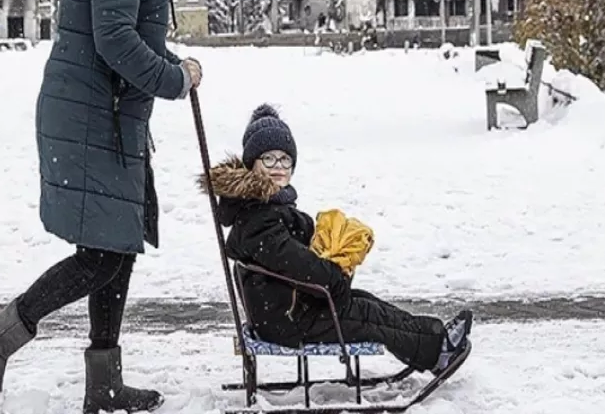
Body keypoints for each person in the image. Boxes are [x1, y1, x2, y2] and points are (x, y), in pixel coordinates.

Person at [0, 0, 203, 412]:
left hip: (106, 115)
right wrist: (174, 80)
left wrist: (171, 66)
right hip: (91, 118)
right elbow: (116, 40)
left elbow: (128, 37)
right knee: (103, 254)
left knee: (116, 247)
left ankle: (103, 383)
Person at [202, 104, 473, 376]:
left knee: (365, 304)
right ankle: (438, 351)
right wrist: (333, 277)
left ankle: (431, 343)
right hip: (287, 320)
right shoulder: (258, 216)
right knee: (363, 314)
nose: (278, 167)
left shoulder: (265, 206)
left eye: (285, 159)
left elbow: (297, 254)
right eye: (268, 159)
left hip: (289, 309)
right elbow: (296, 263)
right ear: (252, 164)